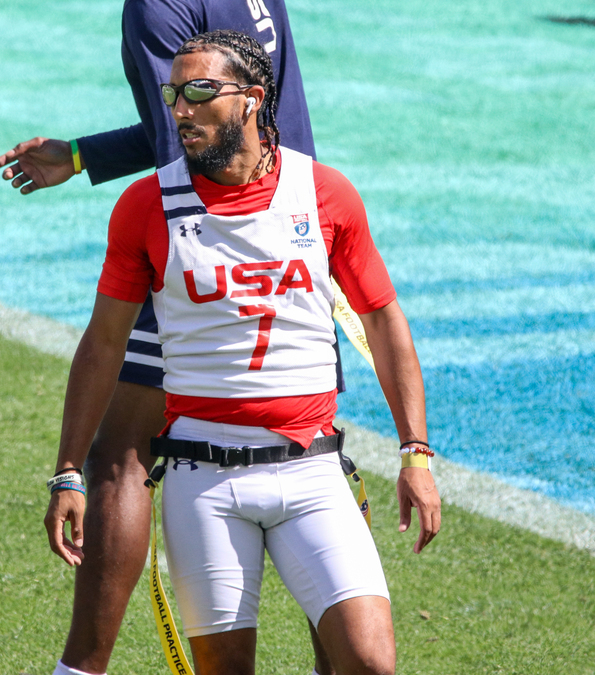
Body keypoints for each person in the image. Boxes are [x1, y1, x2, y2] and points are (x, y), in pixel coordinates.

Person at [45, 30, 441, 675]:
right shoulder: (147, 203)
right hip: (205, 482)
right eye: (175, 95)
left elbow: (384, 321)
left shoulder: (326, 193)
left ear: (252, 99)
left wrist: (415, 453)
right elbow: (102, 346)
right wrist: (66, 471)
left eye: (201, 92)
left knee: (371, 663)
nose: (180, 110)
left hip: (313, 470)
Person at [0, 3, 338, 674]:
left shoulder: (159, 6)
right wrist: (85, 154)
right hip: (296, 231)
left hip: (208, 235)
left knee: (121, 454)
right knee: (313, 447)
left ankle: (79, 670)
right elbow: (240, 114)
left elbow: (188, 137)